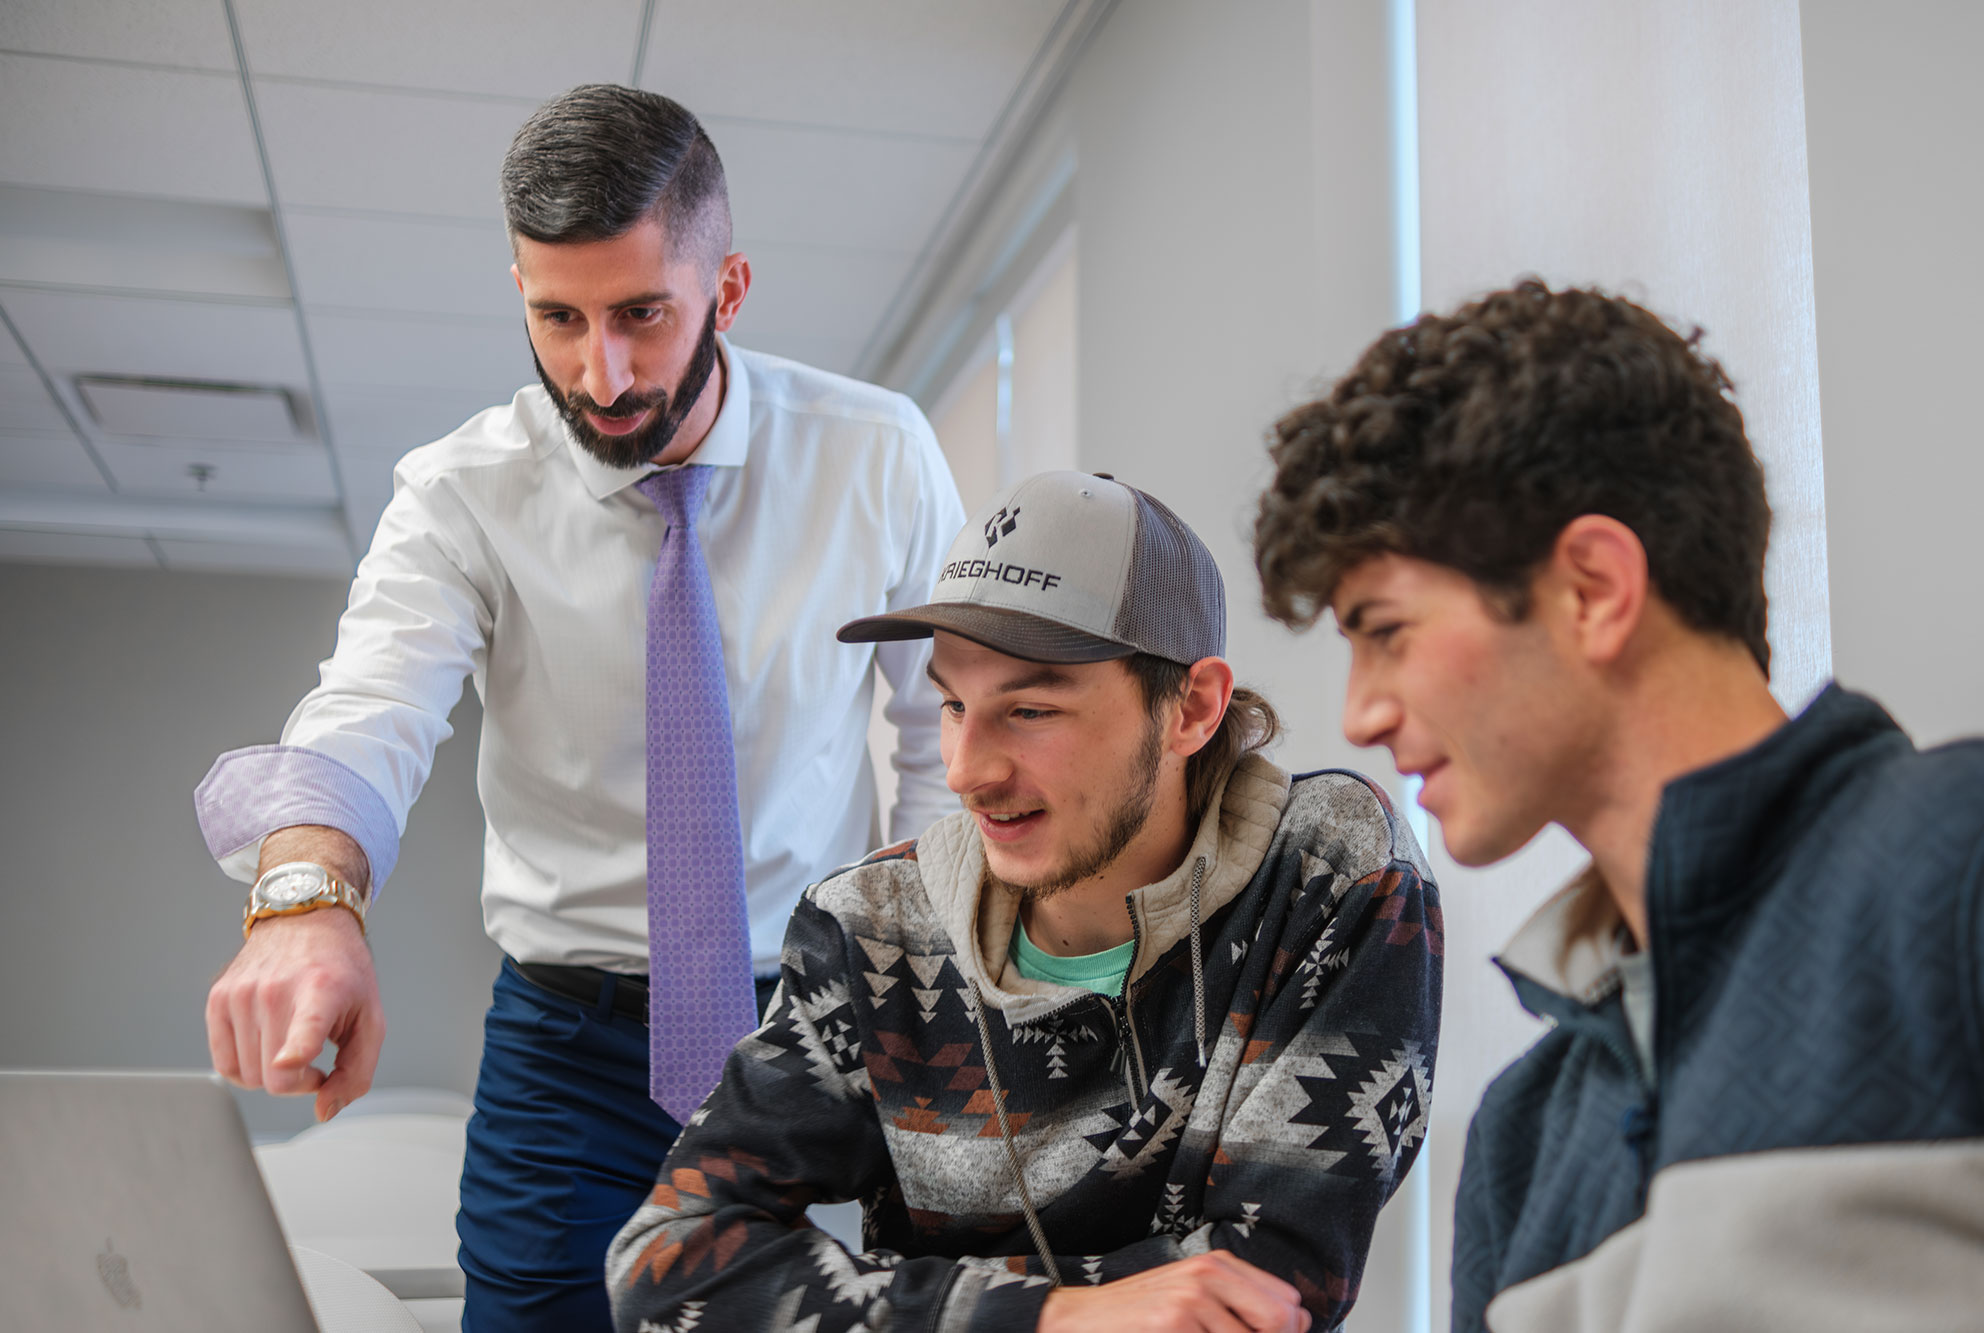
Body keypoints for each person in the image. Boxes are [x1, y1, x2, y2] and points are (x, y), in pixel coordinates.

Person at [192, 84, 966, 1328]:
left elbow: (944, 737)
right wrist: (305, 901)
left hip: (815, 1018)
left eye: (639, 315)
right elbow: (366, 711)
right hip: (565, 1033)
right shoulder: (460, 493)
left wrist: (920, 954)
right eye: (558, 318)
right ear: (518, 291)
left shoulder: (875, 455)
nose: (598, 373)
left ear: (727, 290)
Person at [1254, 280, 1984, 1332]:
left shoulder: (1951, 864)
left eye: (1384, 628)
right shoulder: (1524, 1134)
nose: (1360, 712)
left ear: (1591, 589)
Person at [606, 470, 1443, 1333]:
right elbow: (666, 1267)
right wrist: (1052, 1317)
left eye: (1031, 708)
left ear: (1192, 708)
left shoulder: (1328, 876)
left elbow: (1269, 1291)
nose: (967, 770)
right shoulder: (871, 928)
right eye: (953, 703)